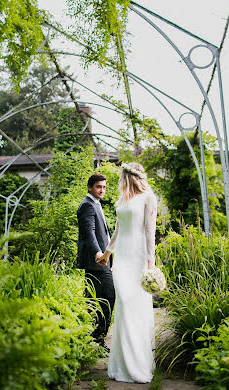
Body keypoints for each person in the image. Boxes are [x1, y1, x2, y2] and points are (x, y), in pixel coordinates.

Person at [97, 162, 157, 383]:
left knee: (134, 307)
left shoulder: (148, 198)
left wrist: (150, 263)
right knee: (123, 305)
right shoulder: (123, 200)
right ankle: (121, 364)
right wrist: (106, 254)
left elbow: (150, 232)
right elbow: (118, 230)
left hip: (138, 257)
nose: (120, 180)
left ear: (129, 176)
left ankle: (136, 365)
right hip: (121, 259)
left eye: (122, 176)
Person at [77, 173, 115, 350]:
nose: (102, 190)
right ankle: (96, 339)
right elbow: (90, 233)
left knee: (99, 300)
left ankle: (94, 338)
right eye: (99, 187)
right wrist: (99, 254)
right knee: (104, 299)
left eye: (104, 187)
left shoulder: (95, 204)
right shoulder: (87, 205)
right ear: (90, 187)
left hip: (103, 261)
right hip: (96, 262)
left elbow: (104, 235)